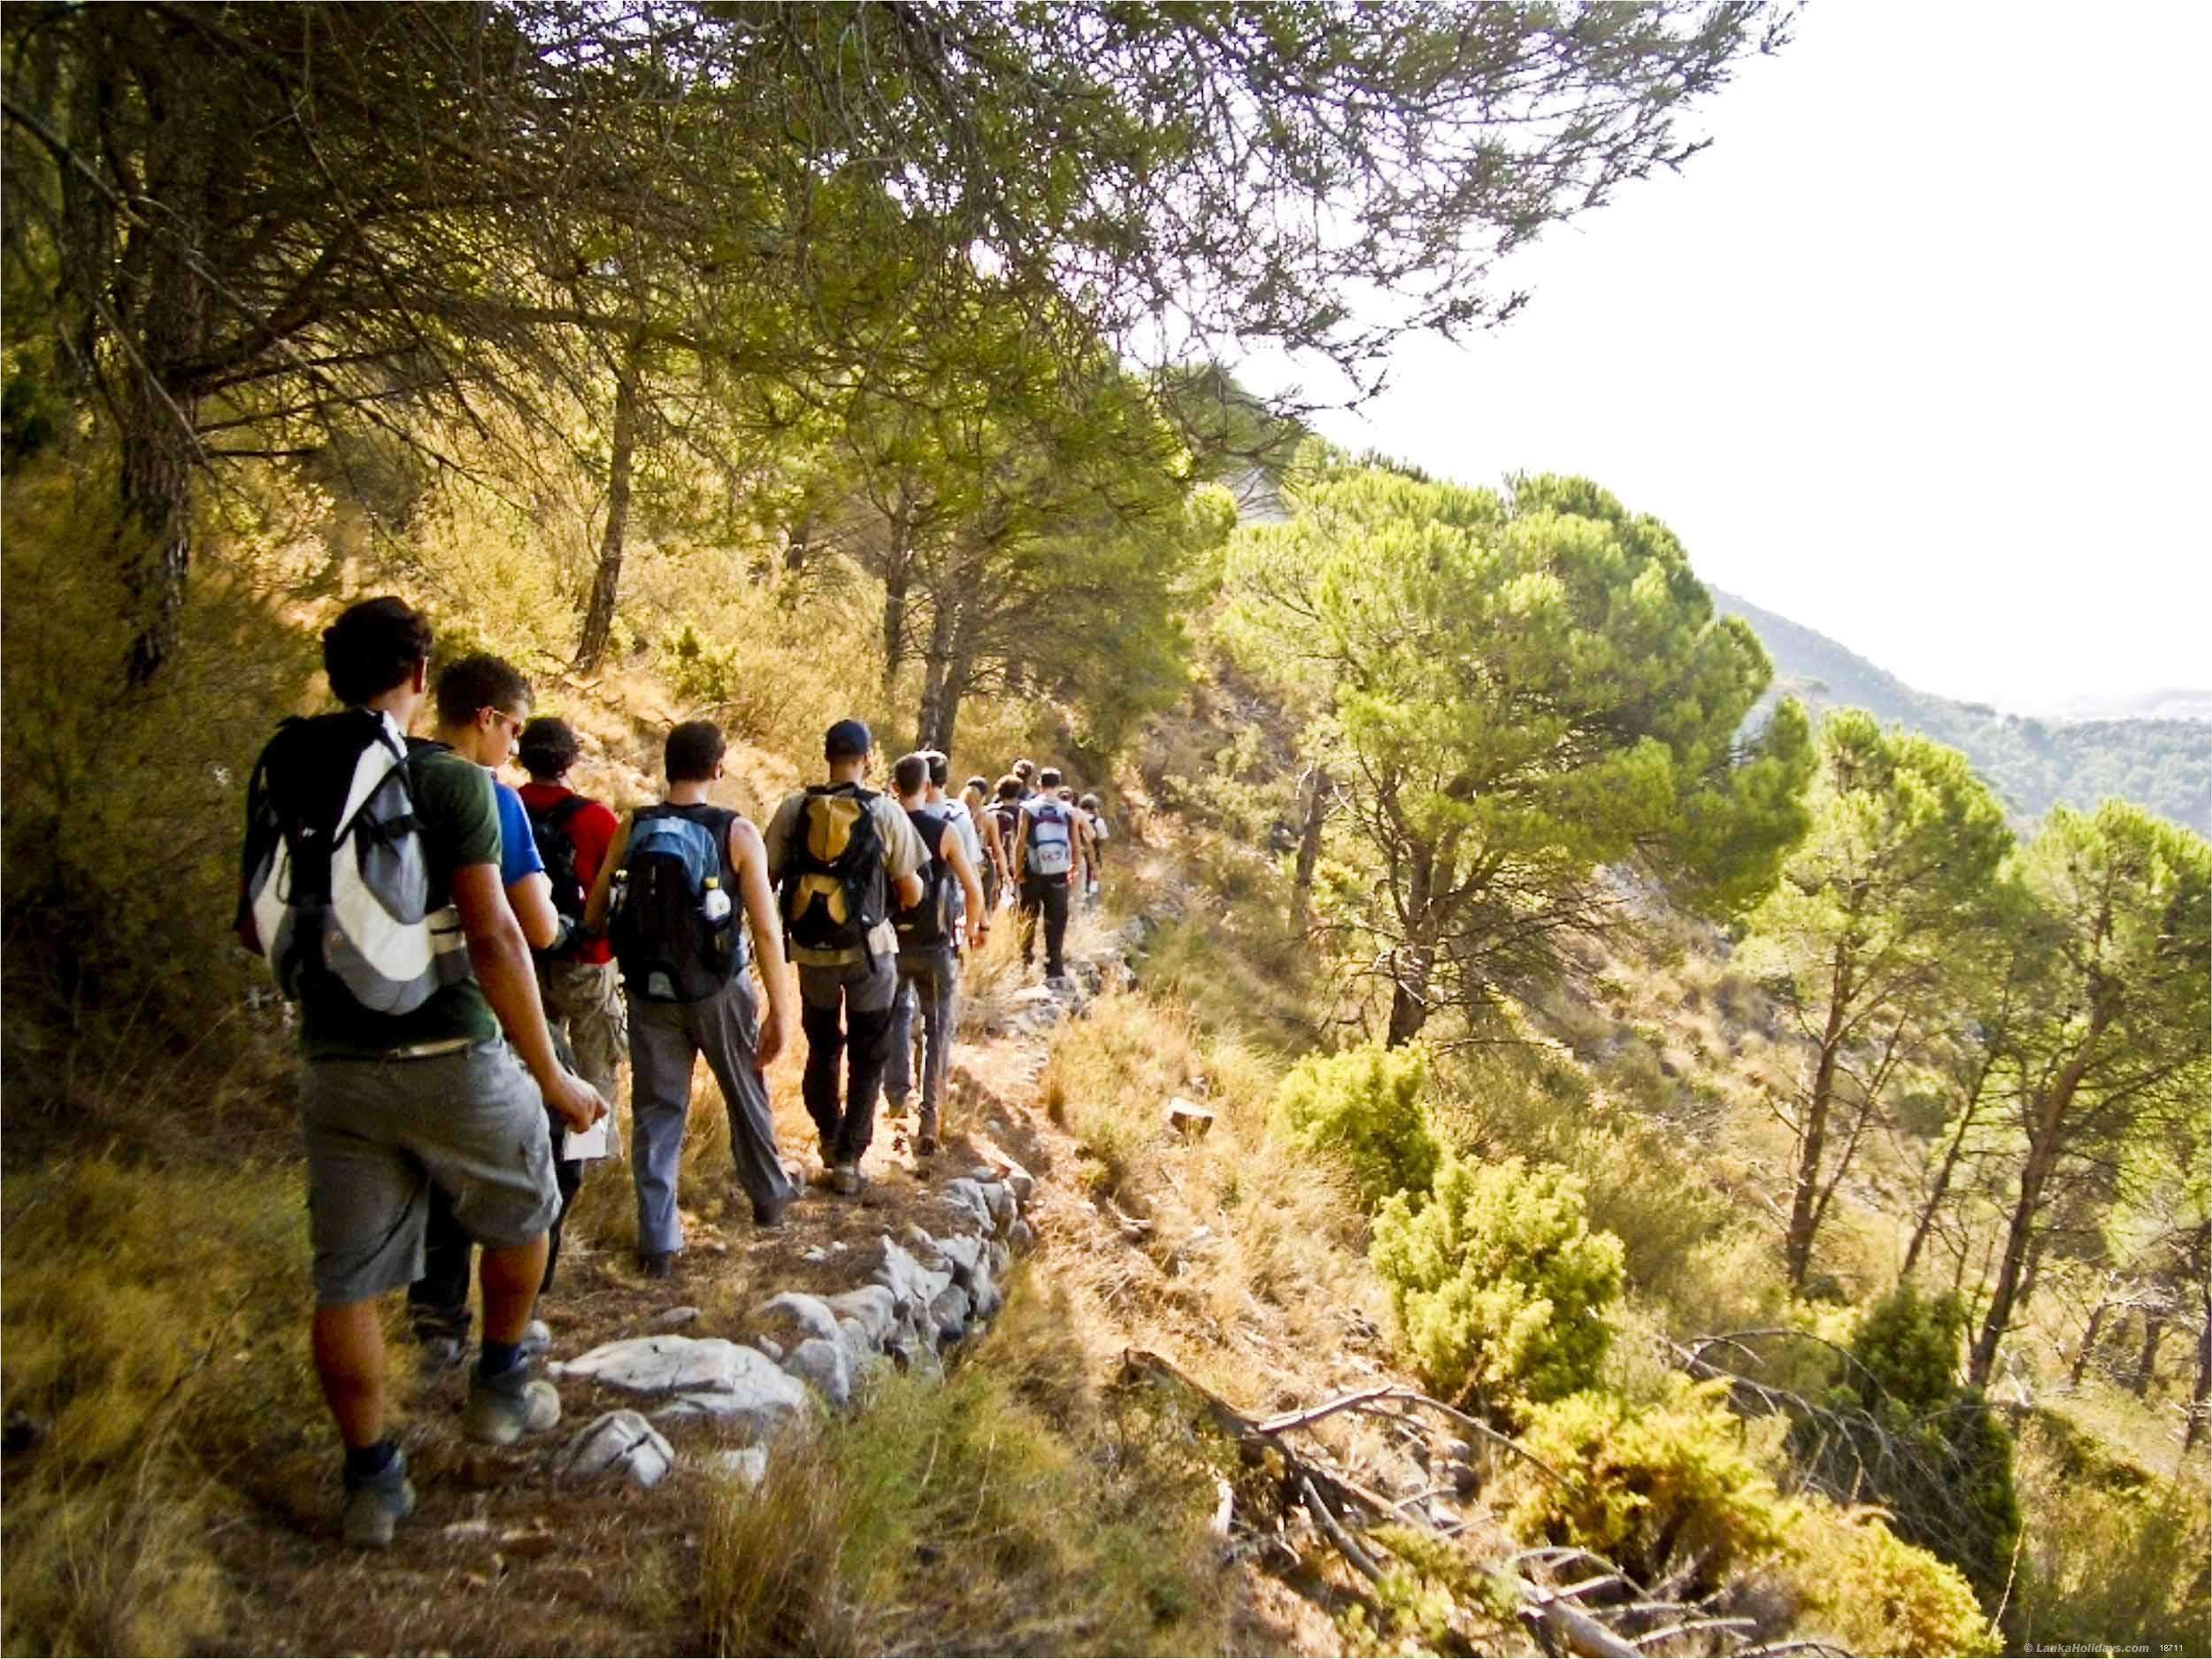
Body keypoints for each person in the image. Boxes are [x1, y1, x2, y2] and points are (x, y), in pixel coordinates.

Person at [237, 598, 604, 1548]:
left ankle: (371, 1482)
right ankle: (500, 1385)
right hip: (451, 1053)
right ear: (417, 674)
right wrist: (550, 1077)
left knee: (345, 1281)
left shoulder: (284, 766)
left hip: (332, 1066)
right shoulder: (448, 782)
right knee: (527, 1209)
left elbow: (254, 924)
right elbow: (495, 936)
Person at [582, 721, 798, 1276]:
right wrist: (781, 1008)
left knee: (657, 1110)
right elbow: (768, 932)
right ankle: (770, 1198)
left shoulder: (634, 825)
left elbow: (598, 906)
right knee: (743, 1090)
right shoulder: (736, 832)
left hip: (650, 989)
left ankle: (658, 1242)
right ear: (717, 769)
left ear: (667, 764)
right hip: (718, 988)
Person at [406, 656, 572, 1371]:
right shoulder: (488, 794)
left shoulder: (382, 777)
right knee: (543, 1154)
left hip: (376, 1008)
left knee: (429, 1169)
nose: (513, 744)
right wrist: (567, 926)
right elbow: (530, 928)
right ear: (486, 718)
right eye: (512, 726)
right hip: (469, 1013)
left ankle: (435, 1316)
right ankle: (515, 1326)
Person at [764, 719, 926, 1195]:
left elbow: (768, 872)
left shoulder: (795, 808)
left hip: (811, 951)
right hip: (870, 952)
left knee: (822, 1044)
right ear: (867, 758)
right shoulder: (885, 812)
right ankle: (851, 1159)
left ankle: (828, 1138)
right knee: (868, 1052)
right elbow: (912, 892)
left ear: (826, 754)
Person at [516, 715, 626, 1259]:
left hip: (525, 962)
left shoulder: (507, 806)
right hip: (585, 959)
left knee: (536, 1065)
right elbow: (614, 886)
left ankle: (535, 1158)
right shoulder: (597, 819)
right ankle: (587, 1174)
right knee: (594, 1068)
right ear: (571, 759)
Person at [881, 754, 986, 1155]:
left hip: (891, 945)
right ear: (927, 788)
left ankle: (894, 1098)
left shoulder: (882, 829)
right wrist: (975, 930)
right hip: (936, 945)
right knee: (936, 1029)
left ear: (894, 786)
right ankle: (929, 1118)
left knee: (894, 1018)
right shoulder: (944, 831)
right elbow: (973, 891)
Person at [1015, 767, 1091, 981]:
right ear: (1058, 787)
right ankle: (1054, 965)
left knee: (1028, 915)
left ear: (1039, 785)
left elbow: (1021, 841)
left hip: (1033, 871)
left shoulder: (1028, 808)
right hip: (1058, 871)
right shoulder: (1068, 811)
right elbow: (1075, 842)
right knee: (1056, 919)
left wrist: (1017, 869)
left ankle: (1024, 960)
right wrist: (1074, 866)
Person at [987, 776, 1025, 910]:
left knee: (992, 897)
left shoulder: (989, 811)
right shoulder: (1022, 812)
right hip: (1014, 860)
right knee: (1016, 899)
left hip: (991, 859)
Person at [1079, 792, 1110, 900]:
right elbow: (1103, 838)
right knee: (1094, 876)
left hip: (1076, 853)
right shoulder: (1098, 821)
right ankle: (1091, 899)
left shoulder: (1075, 817)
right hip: (1092, 854)